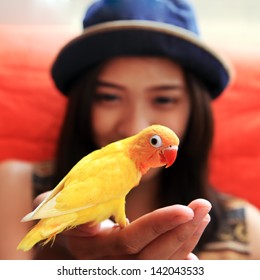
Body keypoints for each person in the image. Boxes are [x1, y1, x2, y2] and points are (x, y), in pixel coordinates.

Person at [4, 0, 260, 259]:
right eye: (109, 97)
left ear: (196, 109)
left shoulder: (249, 230)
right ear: (82, 103)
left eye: (163, 99)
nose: (135, 126)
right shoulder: (16, 186)